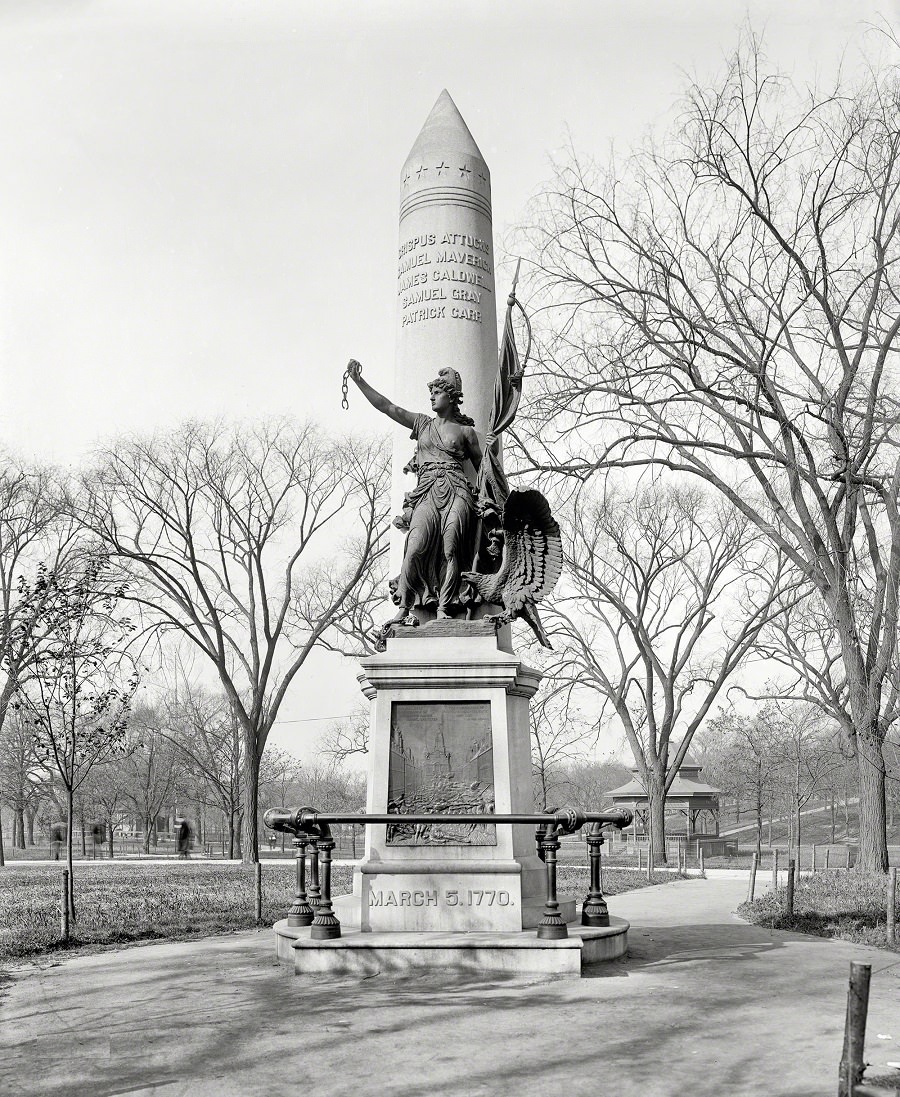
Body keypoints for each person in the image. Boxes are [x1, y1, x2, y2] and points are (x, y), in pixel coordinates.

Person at [345, 360, 483, 622]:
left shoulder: (466, 432)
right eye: (431, 393)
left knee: (451, 547)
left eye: (437, 392)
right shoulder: (422, 424)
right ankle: (405, 606)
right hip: (427, 490)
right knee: (415, 546)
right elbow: (387, 407)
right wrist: (359, 381)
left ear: (452, 397)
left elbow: (484, 469)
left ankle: (445, 607)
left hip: (457, 490)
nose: (431, 396)